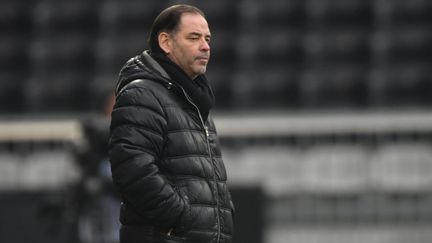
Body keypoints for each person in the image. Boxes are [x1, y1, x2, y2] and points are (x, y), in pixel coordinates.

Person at [108, 4, 235, 243]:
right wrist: (180, 217)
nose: (206, 46)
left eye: (208, 38)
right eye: (194, 37)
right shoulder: (142, 94)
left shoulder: (196, 101)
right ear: (166, 42)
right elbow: (133, 170)